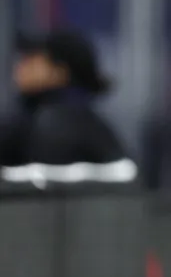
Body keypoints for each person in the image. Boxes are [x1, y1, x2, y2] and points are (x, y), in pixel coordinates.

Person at [0, 29, 134, 187]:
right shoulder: (86, 122)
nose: (19, 67)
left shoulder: (54, 124)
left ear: (59, 72)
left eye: (30, 60)